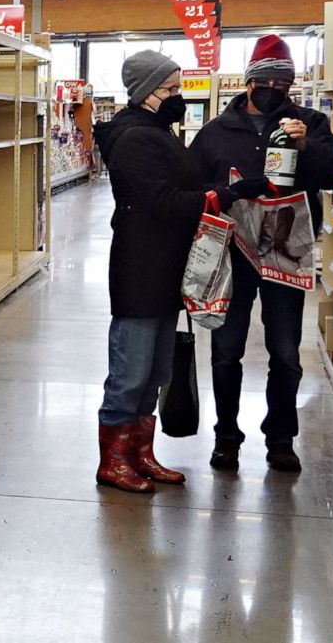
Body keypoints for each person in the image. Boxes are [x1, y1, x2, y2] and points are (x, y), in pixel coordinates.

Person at [92, 50, 269, 493]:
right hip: (140, 268)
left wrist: (227, 188)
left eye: (178, 88)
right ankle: (112, 462)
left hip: (167, 265)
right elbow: (164, 202)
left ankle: (140, 455)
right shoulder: (134, 139)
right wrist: (224, 197)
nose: (178, 97)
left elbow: (185, 187)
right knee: (130, 371)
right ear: (143, 93)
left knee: (155, 372)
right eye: (169, 89)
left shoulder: (160, 132)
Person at [190, 35, 333, 473]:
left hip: (288, 253)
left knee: (285, 352)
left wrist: (306, 147)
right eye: (266, 81)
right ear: (248, 84)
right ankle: (226, 436)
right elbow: (193, 189)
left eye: (284, 83)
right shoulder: (214, 133)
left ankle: (281, 437)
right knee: (225, 350)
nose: (275, 90)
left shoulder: (310, 123)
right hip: (232, 256)